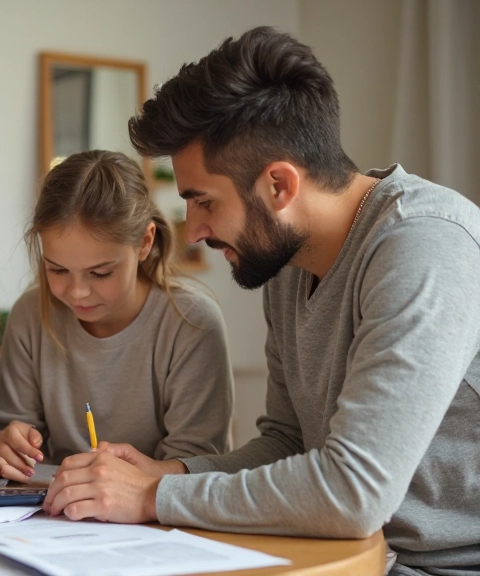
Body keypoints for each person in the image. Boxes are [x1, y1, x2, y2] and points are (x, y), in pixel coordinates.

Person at [44, 27, 480, 576]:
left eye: (202, 201)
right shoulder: (286, 263)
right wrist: (166, 473)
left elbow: (353, 492)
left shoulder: (426, 246)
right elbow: (287, 442)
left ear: (279, 185)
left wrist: (153, 498)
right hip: (352, 558)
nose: (195, 231)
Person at [0, 150, 233, 483]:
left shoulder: (191, 322)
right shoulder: (30, 316)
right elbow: (13, 432)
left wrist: (126, 486)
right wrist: (11, 443)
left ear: (144, 242)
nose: (77, 292)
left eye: (100, 273)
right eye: (58, 269)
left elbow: (196, 464)